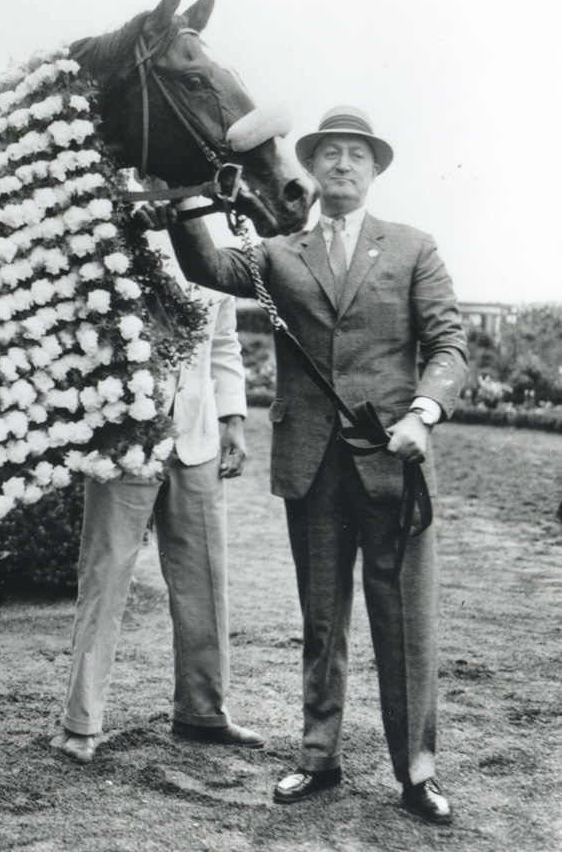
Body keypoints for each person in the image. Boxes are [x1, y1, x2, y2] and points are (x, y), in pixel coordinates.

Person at [147, 106, 467, 825]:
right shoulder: (278, 253)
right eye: (329, 154)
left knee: (405, 624)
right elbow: (204, 263)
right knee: (322, 621)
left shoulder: (414, 247)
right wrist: (186, 186)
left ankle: (417, 773)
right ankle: (317, 758)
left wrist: (424, 415)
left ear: (375, 169)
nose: (342, 166)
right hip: (312, 465)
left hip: (394, 462)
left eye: (357, 155)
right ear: (311, 169)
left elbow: (449, 344)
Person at [51, 249, 264, 763]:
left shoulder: (208, 248)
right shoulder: (113, 236)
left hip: (197, 441)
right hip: (126, 441)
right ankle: (81, 723)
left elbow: (223, 342)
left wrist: (233, 419)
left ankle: (203, 712)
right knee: (105, 576)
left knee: (205, 578)